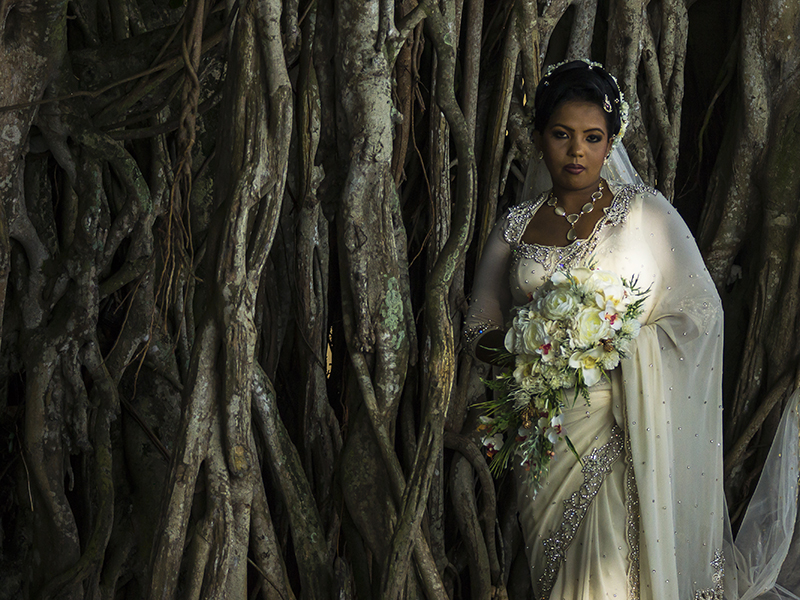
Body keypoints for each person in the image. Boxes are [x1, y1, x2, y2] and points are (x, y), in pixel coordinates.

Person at [464, 59, 800, 600]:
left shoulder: (644, 213)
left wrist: (615, 347)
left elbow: (701, 313)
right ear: (540, 137)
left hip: (625, 427)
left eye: (592, 138)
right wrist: (527, 358)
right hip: (544, 435)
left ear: (610, 142)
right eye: (562, 135)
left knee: (611, 575)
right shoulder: (515, 226)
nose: (577, 151)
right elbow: (478, 323)